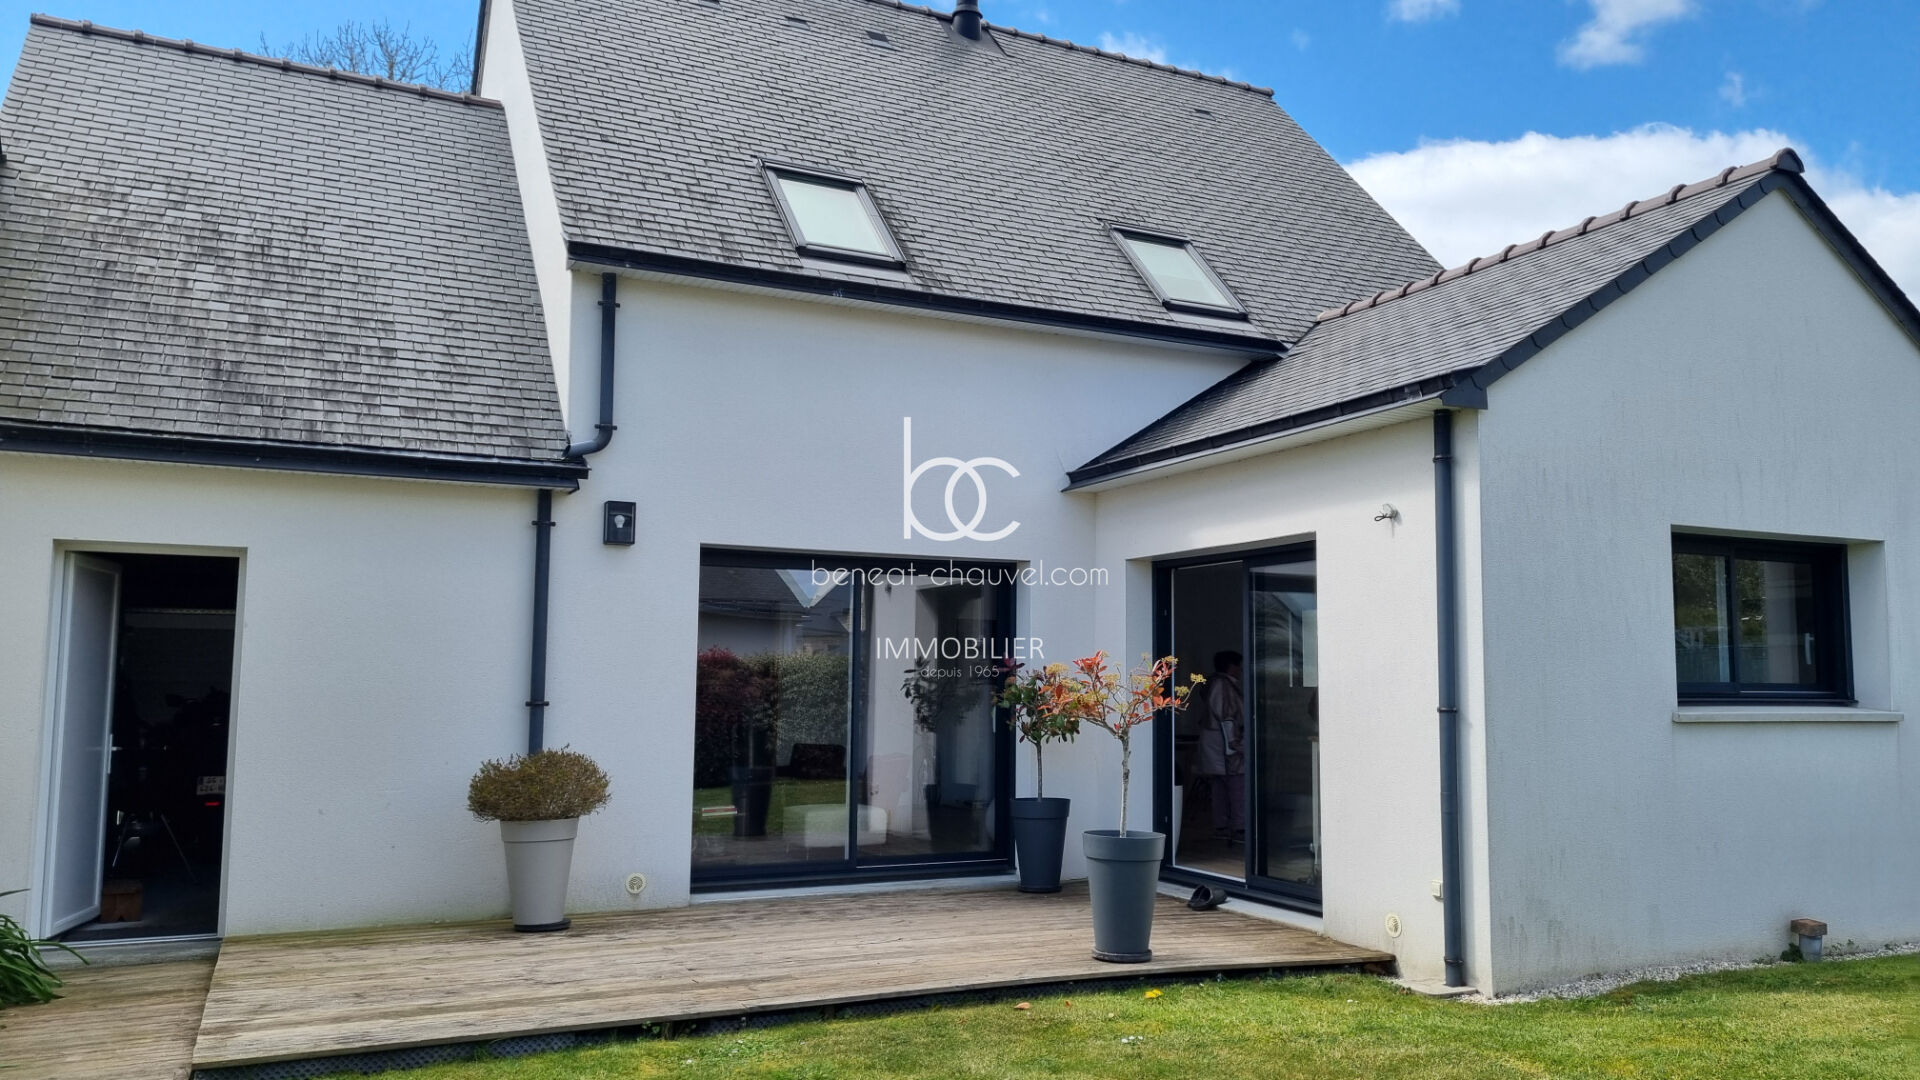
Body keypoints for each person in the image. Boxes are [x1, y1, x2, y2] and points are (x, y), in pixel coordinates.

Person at [1195, 650, 1246, 843]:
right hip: (1225, 743)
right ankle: (1239, 828)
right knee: (1236, 785)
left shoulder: (1213, 684)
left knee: (1220, 786)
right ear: (1231, 666)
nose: (1240, 670)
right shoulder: (1224, 686)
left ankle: (1222, 826)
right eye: (1238, 666)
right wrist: (1235, 744)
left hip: (1214, 742)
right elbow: (1227, 717)